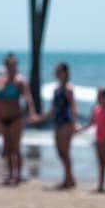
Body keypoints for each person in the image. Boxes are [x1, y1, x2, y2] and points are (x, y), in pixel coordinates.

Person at [0, 52, 37, 185]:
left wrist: (32, 113)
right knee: (7, 148)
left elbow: (28, 98)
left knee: (16, 147)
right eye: (9, 65)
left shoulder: (20, 81)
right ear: (5, 65)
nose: (11, 67)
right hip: (2, 118)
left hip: (16, 118)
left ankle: (18, 175)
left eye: (13, 65)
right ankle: (10, 174)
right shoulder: (0, 81)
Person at [37, 61, 79, 189]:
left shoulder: (68, 88)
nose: (56, 73)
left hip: (66, 123)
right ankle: (69, 178)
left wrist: (75, 123)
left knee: (65, 152)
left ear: (65, 72)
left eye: (59, 71)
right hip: (57, 123)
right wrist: (41, 118)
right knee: (60, 152)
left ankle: (69, 179)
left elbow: (73, 106)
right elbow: (53, 109)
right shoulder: (56, 89)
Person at [82, 86, 105, 193]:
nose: (98, 98)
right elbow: (91, 123)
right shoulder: (96, 109)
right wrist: (80, 129)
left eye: (100, 96)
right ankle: (101, 185)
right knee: (100, 163)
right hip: (98, 139)